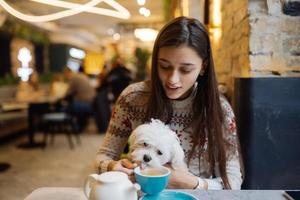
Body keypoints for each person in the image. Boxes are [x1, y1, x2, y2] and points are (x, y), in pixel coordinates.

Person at [95, 16, 243, 190]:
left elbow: (233, 182)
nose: (173, 79)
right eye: (164, 66)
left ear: (203, 66)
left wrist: (191, 183)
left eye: (185, 69)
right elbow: (104, 156)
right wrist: (112, 166)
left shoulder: (219, 110)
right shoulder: (133, 98)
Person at [63, 67, 96, 131]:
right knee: (71, 104)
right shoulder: (82, 75)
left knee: (65, 108)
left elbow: (68, 93)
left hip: (85, 103)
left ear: (67, 73)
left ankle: (76, 127)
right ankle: (81, 125)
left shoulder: (73, 78)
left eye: (65, 74)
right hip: (92, 102)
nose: (65, 76)